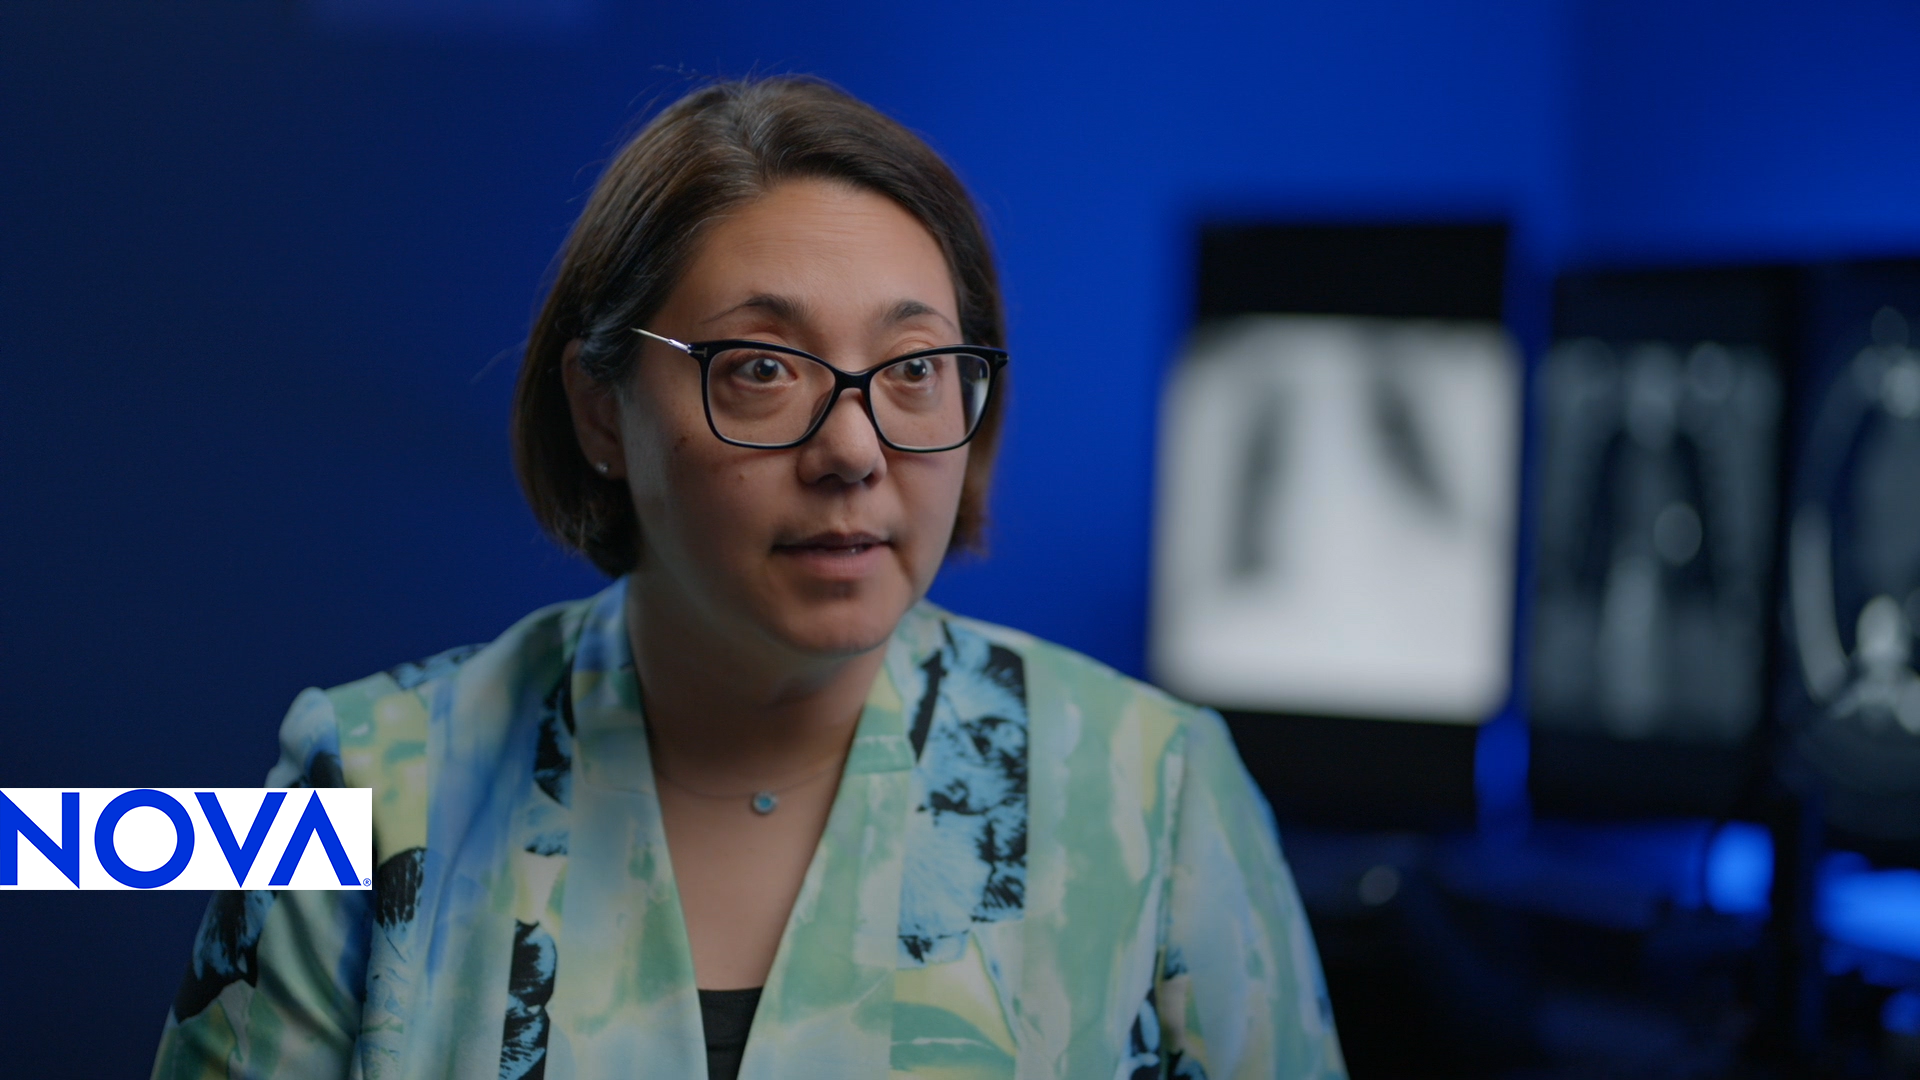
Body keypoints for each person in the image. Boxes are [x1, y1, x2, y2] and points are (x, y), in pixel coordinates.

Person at [151, 76, 1346, 1080]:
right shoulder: (363, 782)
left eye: (916, 367)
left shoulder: (1156, 790)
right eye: (764, 368)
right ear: (601, 408)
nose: (856, 450)